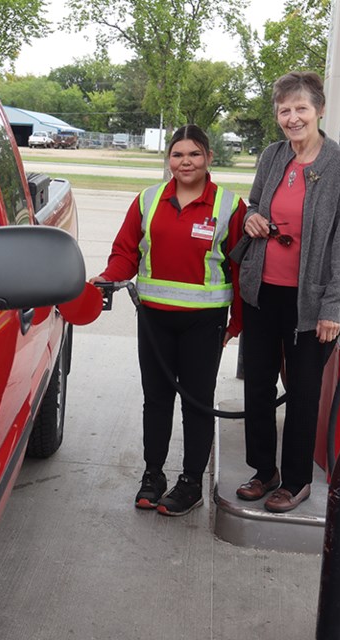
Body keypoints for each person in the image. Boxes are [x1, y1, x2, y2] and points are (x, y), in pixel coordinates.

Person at [92, 124, 246, 517]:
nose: (185, 162)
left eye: (194, 154)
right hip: (154, 319)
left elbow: (242, 267)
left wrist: (237, 322)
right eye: (177, 155)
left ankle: (191, 481)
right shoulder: (148, 199)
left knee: (196, 404)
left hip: (204, 322)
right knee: (156, 401)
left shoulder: (229, 205)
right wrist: (109, 276)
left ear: (209, 158)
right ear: (169, 160)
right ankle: (153, 475)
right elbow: (126, 249)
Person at [232, 71, 340, 513]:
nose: (292, 118)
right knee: (258, 387)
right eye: (284, 110)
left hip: (313, 303)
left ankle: (296, 480)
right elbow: (254, 203)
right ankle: (263, 469)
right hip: (263, 291)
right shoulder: (272, 157)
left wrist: (333, 305)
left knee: (304, 390)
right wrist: (252, 217)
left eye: (301, 108)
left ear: (319, 110)